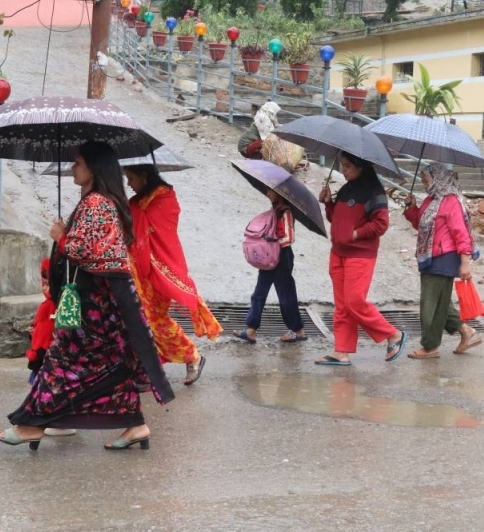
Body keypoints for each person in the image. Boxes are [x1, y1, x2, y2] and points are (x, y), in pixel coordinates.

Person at [0, 142, 174, 451]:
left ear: (93, 167)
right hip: (107, 299)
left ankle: (31, 425)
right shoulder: (100, 201)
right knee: (111, 363)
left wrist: (60, 237)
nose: (73, 168)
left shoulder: (96, 203)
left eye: (77, 163)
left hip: (95, 302)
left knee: (62, 361)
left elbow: (87, 251)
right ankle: (136, 425)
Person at [125, 164, 222, 385]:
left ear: (144, 176)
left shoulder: (164, 199)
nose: (129, 184)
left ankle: (191, 355)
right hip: (137, 272)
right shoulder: (137, 202)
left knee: (153, 321)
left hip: (157, 271)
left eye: (131, 178)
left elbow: (157, 234)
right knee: (139, 321)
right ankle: (148, 369)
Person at [316, 152, 407, 366]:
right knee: (341, 305)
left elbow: (381, 224)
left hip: (360, 255)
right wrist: (329, 203)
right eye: (342, 166)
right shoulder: (347, 189)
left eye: (347, 166)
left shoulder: (374, 191)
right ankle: (341, 351)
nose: (343, 170)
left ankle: (393, 334)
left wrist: (356, 234)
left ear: (361, 166)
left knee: (354, 301)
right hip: (338, 252)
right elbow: (336, 219)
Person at [403, 163, 483, 359]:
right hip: (430, 256)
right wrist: (412, 208)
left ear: (438, 178)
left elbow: (461, 233)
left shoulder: (451, 201)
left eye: (426, 180)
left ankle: (430, 347)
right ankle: (465, 331)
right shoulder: (432, 200)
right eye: (422, 180)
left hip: (444, 257)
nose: (424, 183)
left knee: (430, 303)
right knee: (441, 302)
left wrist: (465, 263)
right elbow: (422, 226)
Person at [233, 188, 307, 344]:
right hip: (270, 256)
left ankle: (298, 331)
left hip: (281, 257)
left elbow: (289, 238)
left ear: (280, 193)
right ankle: (251, 330)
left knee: (286, 295)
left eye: (270, 191)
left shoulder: (285, 212)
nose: (267, 194)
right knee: (259, 293)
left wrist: (270, 244)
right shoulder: (275, 210)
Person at [24, 258, 77, 437]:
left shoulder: (59, 305)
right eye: (44, 284)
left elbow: (51, 331)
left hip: (49, 355)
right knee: (45, 390)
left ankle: (61, 423)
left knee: (54, 389)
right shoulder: (47, 304)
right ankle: (50, 419)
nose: (45, 289)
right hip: (41, 354)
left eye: (49, 285)